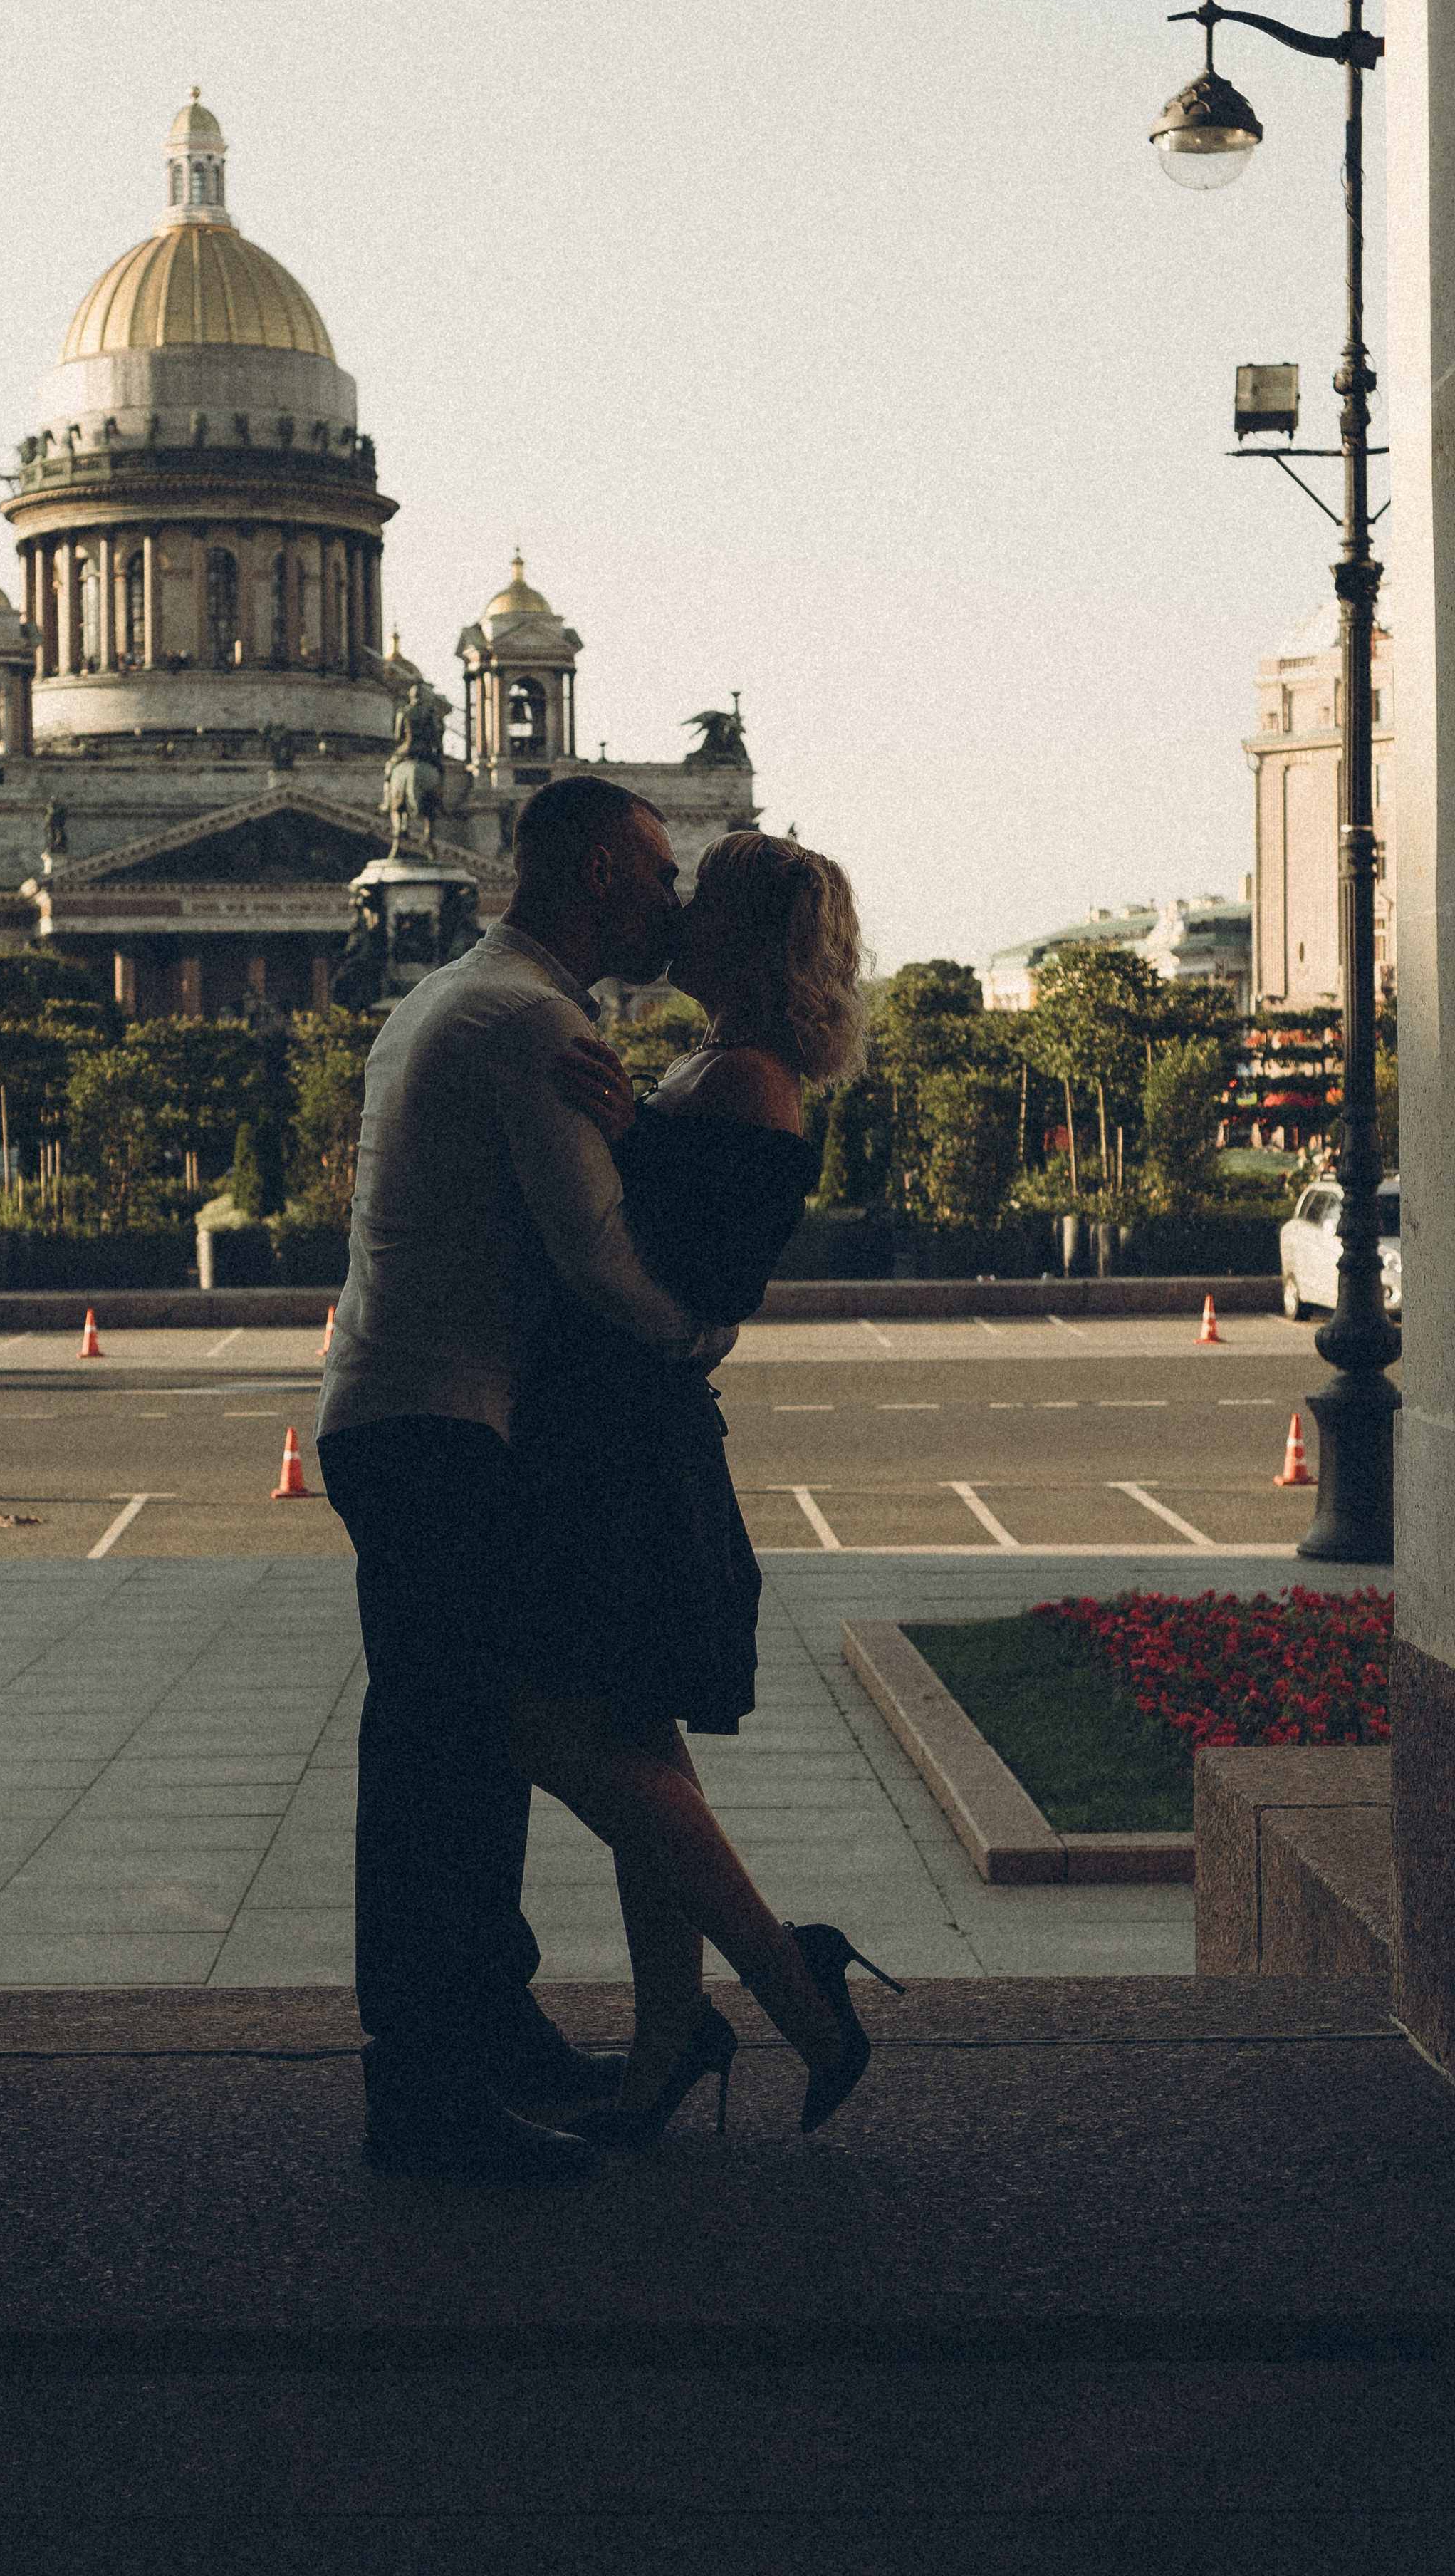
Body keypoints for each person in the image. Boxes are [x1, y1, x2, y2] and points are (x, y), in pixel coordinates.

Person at [316, 775, 730, 2181]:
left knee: (464, 1758)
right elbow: (599, 1262)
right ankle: (423, 2095)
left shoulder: (465, 994)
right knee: (438, 1772)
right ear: (602, 872)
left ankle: (487, 2036)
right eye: (660, 872)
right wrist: (706, 1331)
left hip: (406, 1415)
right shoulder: (525, 1020)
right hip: (442, 1428)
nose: (674, 901)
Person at [508, 831, 904, 2147]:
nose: (668, 908)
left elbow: (716, 1278)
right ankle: (672, 2038)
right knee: (636, 1744)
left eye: (698, 896)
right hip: (617, 1436)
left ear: (739, 935)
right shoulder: (718, 1062)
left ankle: (795, 1986)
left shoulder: (747, 1077)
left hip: (631, 1448)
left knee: (556, 1729)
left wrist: (628, 1133)